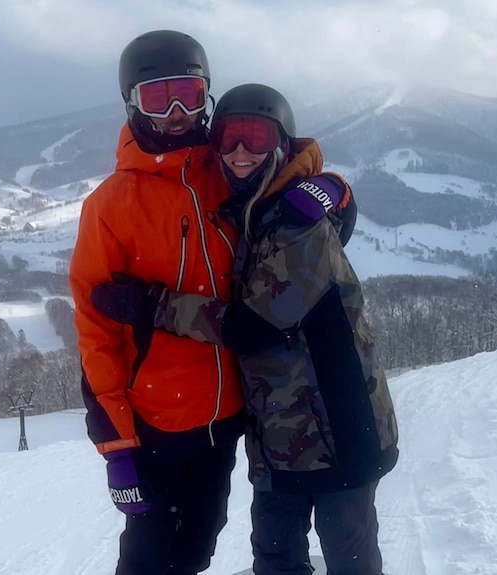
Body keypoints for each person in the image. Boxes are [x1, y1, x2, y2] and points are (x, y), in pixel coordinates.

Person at [91, 84, 399, 575]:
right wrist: (335, 189)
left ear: (280, 144)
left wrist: (153, 305)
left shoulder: (297, 223)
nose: (239, 152)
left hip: (340, 424)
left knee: (350, 555)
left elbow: (253, 326)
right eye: (229, 139)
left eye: (256, 138)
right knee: (275, 557)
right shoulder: (249, 211)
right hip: (277, 436)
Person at [68, 30, 245, 575]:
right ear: (131, 103)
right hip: (155, 426)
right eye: (156, 97)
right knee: (148, 556)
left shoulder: (231, 173)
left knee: (198, 545)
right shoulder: (111, 206)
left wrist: (330, 188)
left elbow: (292, 159)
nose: (174, 113)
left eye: (188, 94)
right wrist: (116, 444)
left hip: (228, 416)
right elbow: (95, 335)